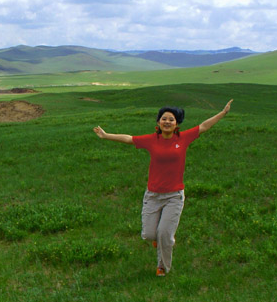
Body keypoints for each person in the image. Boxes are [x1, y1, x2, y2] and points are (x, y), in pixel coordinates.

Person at [93, 99, 232, 277]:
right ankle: (157, 240)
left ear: (177, 124)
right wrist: (106, 135)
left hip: (174, 196)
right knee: (150, 234)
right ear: (158, 122)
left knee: (165, 234)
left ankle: (162, 267)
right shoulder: (152, 140)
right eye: (164, 119)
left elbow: (204, 126)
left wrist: (223, 112)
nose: (167, 122)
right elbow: (129, 138)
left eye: (171, 119)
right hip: (152, 195)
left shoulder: (183, 138)